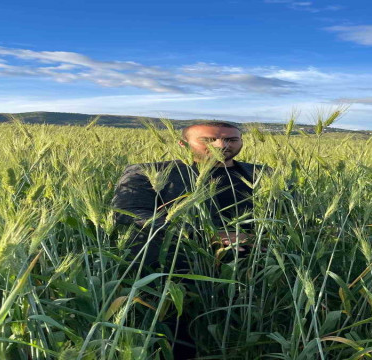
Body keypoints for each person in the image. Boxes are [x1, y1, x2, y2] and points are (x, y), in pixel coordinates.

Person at [111, 121, 268, 359]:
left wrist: (262, 239)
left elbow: (288, 215)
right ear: (183, 144)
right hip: (175, 275)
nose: (221, 145)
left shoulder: (262, 174)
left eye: (231, 139)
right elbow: (130, 215)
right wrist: (207, 236)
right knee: (180, 342)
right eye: (209, 139)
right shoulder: (146, 172)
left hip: (250, 277)